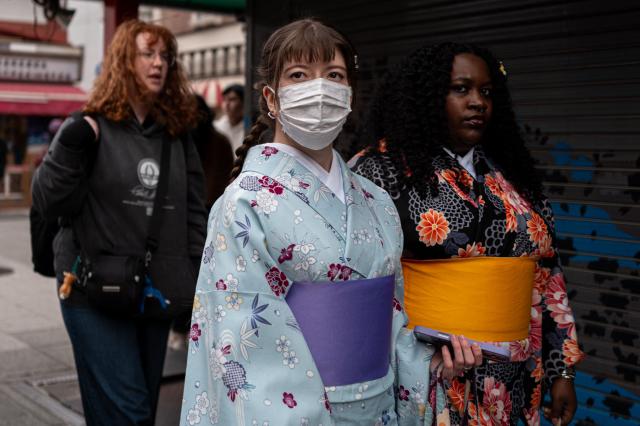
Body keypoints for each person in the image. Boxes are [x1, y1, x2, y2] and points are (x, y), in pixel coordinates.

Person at [181, 19, 482, 425]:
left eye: (334, 76)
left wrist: (431, 366)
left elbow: (392, 322)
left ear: (349, 95)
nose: (319, 88)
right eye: (299, 76)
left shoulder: (375, 201)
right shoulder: (243, 203)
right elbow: (246, 346)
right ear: (272, 98)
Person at [351, 42, 584, 425]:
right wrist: (412, 351)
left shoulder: (512, 175)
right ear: (425, 96)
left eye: (487, 92)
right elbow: (359, 281)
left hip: (515, 378)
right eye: (461, 89)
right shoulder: (380, 170)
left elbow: (548, 276)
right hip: (428, 374)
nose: (478, 102)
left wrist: (562, 370)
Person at [31, 20, 207, 425]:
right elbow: (46, 200)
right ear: (124, 61)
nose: (159, 63)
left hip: (155, 291)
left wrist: (193, 279)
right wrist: (70, 148)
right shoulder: (88, 126)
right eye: (148, 53)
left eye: (165, 56)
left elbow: (194, 212)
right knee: (128, 411)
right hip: (92, 289)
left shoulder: (177, 137)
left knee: (131, 407)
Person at [214, 83, 245, 156]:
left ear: (243, 102)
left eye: (232, 99)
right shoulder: (217, 127)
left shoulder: (249, 126)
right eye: (224, 100)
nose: (226, 104)